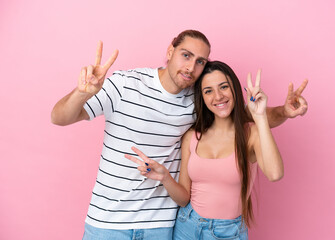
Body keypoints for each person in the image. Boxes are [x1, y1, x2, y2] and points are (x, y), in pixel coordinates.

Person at [51, 30, 308, 240]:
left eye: (200, 62)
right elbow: (60, 117)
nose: (191, 67)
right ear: (170, 51)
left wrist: (284, 111)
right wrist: (83, 93)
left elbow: (244, 117)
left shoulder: (198, 102)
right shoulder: (123, 85)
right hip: (108, 222)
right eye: (186, 55)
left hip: (162, 225)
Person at [125, 61, 285, 240]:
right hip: (187, 225)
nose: (218, 96)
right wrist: (165, 177)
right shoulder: (192, 136)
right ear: (202, 97)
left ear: (235, 90)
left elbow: (275, 174)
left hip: (228, 232)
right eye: (208, 91)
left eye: (223, 87)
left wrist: (260, 115)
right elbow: (184, 198)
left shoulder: (251, 133)